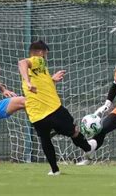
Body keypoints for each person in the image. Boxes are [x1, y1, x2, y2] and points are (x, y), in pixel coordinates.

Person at [18, 40, 96, 176]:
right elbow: (22, 63)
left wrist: (51, 80)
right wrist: (29, 82)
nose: (46, 57)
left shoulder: (39, 70)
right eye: (46, 54)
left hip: (36, 114)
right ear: (42, 52)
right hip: (53, 109)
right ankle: (88, 148)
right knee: (74, 131)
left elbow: (41, 83)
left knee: (45, 140)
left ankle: (55, 170)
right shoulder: (38, 60)